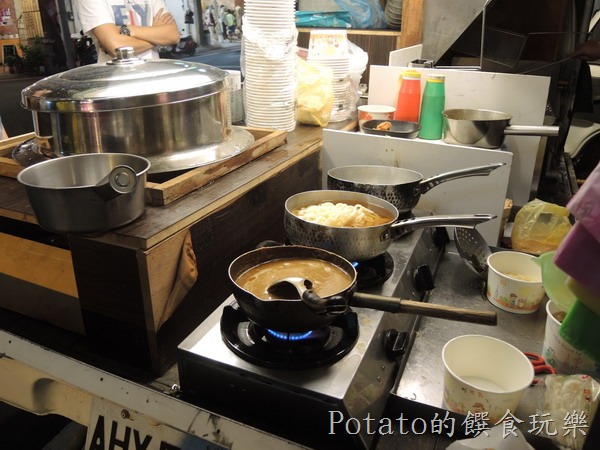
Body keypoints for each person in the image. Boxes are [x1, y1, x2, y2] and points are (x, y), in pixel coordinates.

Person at [73, 0, 180, 64]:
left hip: (153, 78)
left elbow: (173, 35)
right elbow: (117, 48)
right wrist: (159, 37)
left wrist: (125, 29)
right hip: (117, 84)